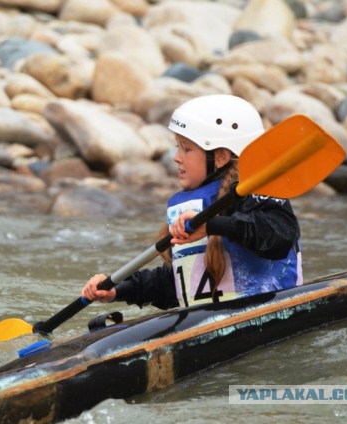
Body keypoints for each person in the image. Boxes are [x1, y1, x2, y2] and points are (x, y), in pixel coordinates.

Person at [81, 94, 303, 310]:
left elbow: (278, 237)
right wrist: (119, 290)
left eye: (186, 149)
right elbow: (181, 284)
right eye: (178, 146)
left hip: (270, 311)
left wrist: (212, 225)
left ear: (220, 157)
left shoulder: (256, 192)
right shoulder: (190, 204)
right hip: (211, 322)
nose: (176, 157)